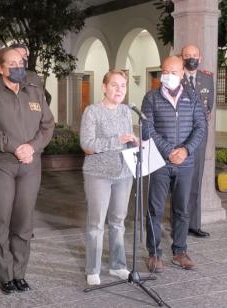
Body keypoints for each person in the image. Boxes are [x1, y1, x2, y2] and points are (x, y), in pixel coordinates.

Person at [0, 47, 55, 294]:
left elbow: (48, 125)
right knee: (1, 220)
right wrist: (15, 147)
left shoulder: (35, 92)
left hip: (30, 165)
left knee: (23, 221)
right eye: (12, 64)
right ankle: (4, 274)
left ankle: (19, 273)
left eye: (21, 62)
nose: (19, 67)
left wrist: (31, 147)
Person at [141, 56, 206, 272]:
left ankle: (180, 251)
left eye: (174, 72)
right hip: (160, 162)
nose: (168, 76)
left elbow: (200, 127)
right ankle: (154, 253)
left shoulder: (193, 97)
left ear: (182, 74)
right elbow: (148, 130)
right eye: (165, 72)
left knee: (182, 209)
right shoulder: (151, 98)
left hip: (185, 163)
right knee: (155, 208)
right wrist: (169, 151)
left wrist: (185, 150)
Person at [80, 70, 137, 286]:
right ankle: (92, 269)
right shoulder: (92, 111)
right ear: (104, 87)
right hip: (98, 174)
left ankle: (118, 265)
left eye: (123, 85)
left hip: (123, 173)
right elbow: (87, 145)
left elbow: (126, 140)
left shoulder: (125, 111)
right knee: (96, 223)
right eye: (114, 85)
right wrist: (118, 140)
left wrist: (134, 142)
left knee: (118, 221)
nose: (119, 89)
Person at [181, 44, 214, 238]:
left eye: (194, 55)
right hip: (181, 136)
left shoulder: (207, 78)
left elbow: (208, 107)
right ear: (182, 57)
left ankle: (194, 223)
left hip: (200, 136)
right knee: (181, 182)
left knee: (196, 180)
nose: (191, 58)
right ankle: (180, 223)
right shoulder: (177, 77)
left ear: (200, 58)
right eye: (188, 55)